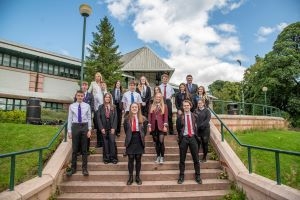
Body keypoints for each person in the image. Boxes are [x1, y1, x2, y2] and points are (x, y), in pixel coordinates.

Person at [176, 100, 202, 184]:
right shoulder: (180, 117)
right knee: (182, 159)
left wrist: (197, 136)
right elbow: (178, 128)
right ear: (183, 107)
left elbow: (198, 127)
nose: (186, 107)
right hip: (184, 138)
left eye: (187, 105)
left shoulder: (195, 116)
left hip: (193, 138)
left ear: (190, 106)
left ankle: (198, 175)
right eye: (184, 106)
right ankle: (181, 175)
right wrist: (181, 137)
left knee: (196, 158)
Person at [67, 90, 92, 176]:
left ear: (83, 97)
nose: (80, 97)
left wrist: (89, 129)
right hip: (75, 126)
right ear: (76, 96)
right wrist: (69, 131)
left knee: (84, 150)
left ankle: (84, 169)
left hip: (84, 126)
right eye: (78, 95)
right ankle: (73, 169)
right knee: (75, 149)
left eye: (81, 96)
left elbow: (89, 118)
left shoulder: (87, 106)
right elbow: (70, 119)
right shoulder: (72, 106)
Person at [124, 102, 148, 185]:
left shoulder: (143, 119)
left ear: (138, 109)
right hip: (130, 139)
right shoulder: (126, 118)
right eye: (133, 107)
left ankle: (137, 177)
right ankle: (130, 177)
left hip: (139, 139)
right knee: (130, 158)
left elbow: (144, 131)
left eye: (136, 107)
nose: (134, 108)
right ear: (130, 109)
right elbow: (126, 130)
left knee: (138, 158)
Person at [121, 80, 143, 156]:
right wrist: (125, 110)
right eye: (131, 85)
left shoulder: (137, 94)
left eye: (133, 85)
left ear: (135, 86)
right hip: (128, 112)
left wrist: (138, 112)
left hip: (136, 112)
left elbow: (139, 104)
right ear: (129, 86)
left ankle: (139, 148)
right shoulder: (125, 94)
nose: (132, 86)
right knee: (128, 132)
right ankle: (126, 148)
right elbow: (123, 103)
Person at [96, 93, 118, 164]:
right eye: (106, 97)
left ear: (110, 99)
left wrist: (114, 128)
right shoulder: (100, 107)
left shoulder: (113, 107)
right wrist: (101, 128)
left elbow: (116, 118)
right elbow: (98, 118)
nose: (107, 98)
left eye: (109, 97)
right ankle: (106, 159)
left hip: (111, 127)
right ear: (104, 98)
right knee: (105, 143)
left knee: (112, 142)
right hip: (104, 127)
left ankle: (113, 158)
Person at [148, 92, 168, 164]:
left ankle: (162, 157)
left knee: (161, 142)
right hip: (154, 126)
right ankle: (158, 156)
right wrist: (149, 126)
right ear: (155, 98)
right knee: (156, 143)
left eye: (159, 97)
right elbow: (149, 116)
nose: (158, 98)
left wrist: (165, 126)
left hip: (161, 126)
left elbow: (165, 117)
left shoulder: (164, 106)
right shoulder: (151, 106)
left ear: (161, 98)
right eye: (157, 97)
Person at [74, 81, 94, 155]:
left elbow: (92, 106)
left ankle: (86, 150)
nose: (84, 86)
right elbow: (74, 104)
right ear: (81, 86)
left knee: (88, 134)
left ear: (88, 87)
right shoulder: (77, 94)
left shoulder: (90, 95)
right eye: (83, 85)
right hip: (78, 119)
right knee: (79, 135)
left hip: (87, 119)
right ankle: (79, 150)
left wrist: (89, 114)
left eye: (86, 85)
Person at [88, 72, 104, 148]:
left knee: (102, 125)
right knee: (97, 125)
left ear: (100, 77)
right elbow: (88, 93)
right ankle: (98, 143)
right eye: (96, 76)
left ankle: (102, 142)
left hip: (102, 106)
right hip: (95, 107)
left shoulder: (102, 84)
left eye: (99, 76)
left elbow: (105, 93)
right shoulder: (92, 83)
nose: (97, 77)